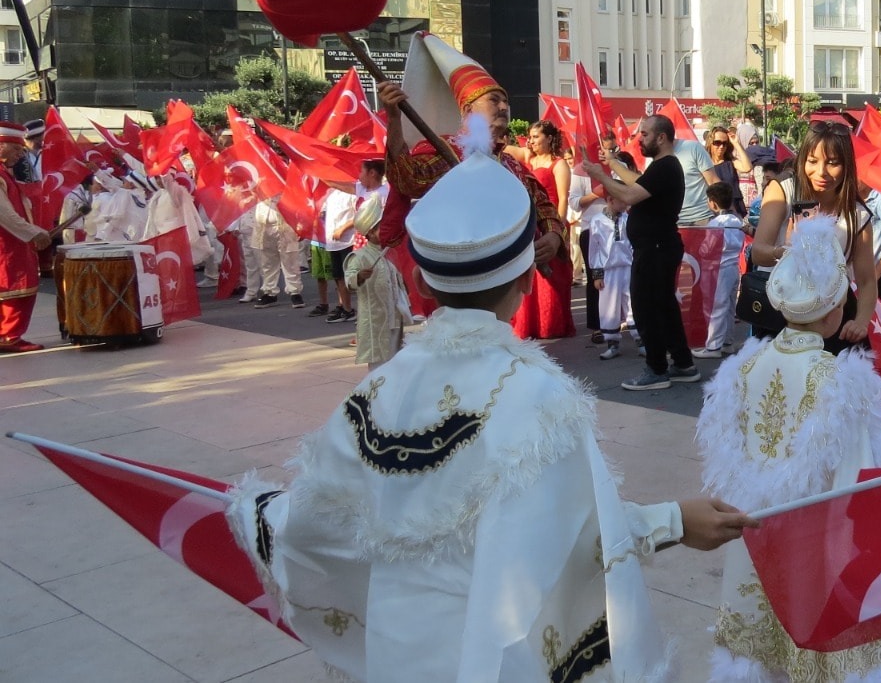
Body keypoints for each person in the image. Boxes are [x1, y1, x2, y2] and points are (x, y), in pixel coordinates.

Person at [228, 126, 754, 681]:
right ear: (529, 278)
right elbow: (578, 537)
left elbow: (309, 523)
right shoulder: (537, 395)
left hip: (396, 655)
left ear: (425, 286)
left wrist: (252, 507)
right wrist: (673, 521)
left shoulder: (376, 391)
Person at [696, 215, 881, 680]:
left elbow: (727, 451)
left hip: (756, 523)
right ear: (835, 308)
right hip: (814, 529)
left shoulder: (745, 367)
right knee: (820, 619)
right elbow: (865, 467)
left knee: (758, 632)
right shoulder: (840, 378)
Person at [374, 33, 566, 318]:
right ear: (467, 110)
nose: (503, 106)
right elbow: (408, 180)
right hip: (457, 280)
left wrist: (553, 236)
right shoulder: (446, 151)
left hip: (502, 281)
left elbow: (544, 204)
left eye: (505, 101)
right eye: (493, 100)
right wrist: (394, 120)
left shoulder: (511, 164)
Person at [582, 114, 700, 391]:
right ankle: (683, 364)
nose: (639, 139)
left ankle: (657, 369)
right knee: (664, 307)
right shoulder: (661, 167)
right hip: (656, 247)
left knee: (647, 309)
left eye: (644, 134)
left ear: (661, 137)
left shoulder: (666, 166)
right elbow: (637, 182)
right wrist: (612, 163)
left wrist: (601, 175)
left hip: (655, 248)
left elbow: (630, 195)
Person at [750, 123, 877, 353]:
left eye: (832, 162)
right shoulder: (783, 191)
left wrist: (861, 322)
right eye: (812, 160)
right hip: (783, 312)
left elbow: (867, 281)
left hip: (833, 319)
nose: (821, 172)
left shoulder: (858, 214)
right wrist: (789, 251)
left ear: (847, 164)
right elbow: (758, 251)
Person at [511, 120, 575, 339]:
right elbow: (503, 147)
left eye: (536, 136)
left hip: (551, 227)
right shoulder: (527, 159)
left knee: (551, 280)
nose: (532, 141)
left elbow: (563, 198)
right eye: (530, 136)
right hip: (529, 226)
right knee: (529, 278)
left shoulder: (559, 164)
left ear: (549, 138)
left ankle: (551, 326)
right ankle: (528, 325)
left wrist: (558, 231)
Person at [343, 196, 409, 370]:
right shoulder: (360, 256)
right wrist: (359, 277)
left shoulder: (389, 253)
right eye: (382, 228)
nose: (386, 230)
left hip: (394, 316)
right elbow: (349, 279)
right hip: (375, 319)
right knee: (379, 363)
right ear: (370, 233)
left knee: (396, 360)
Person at [0, 121, 49, 353]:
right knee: (15, 286)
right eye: (18, 149)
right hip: (7, 243)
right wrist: (33, 233)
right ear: (2, 147)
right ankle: (8, 336)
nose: (21, 155)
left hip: (13, 241)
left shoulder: (5, 174)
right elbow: (5, 215)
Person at [691, 182, 747, 360]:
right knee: (729, 305)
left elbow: (707, 249)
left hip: (718, 268)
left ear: (713, 203)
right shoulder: (737, 220)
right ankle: (727, 342)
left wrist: (699, 249)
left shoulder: (715, 223)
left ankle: (713, 345)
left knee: (716, 306)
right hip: (733, 267)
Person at [589, 187, 640, 361]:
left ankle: (641, 341)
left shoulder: (628, 219)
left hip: (628, 267)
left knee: (634, 303)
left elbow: (633, 244)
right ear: (610, 200)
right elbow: (594, 249)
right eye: (622, 200)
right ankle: (612, 344)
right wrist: (597, 274)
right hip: (609, 271)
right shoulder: (597, 221)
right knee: (608, 307)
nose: (626, 203)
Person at [250, 196, 303, 308]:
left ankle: (295, 292)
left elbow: (297, 201)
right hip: (264, 227)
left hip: (285, 226)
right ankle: (269, 292)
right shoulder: (260, 184)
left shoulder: (285, 183)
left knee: (290, 261)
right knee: (267, 263)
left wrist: (300, 225)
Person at [319, 185, 360, 322]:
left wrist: (343, 229)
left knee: (349, 277)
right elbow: (324, 212)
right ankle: (343, 306)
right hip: (333, 242)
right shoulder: (330, 192)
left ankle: (349, 309)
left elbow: (358, 215)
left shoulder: (351, 193)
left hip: (347, 241)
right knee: (338, 277)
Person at [672, 120, 718, 226]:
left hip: (701, 219)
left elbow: (713, 181)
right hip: (672, 223)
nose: (642, 139)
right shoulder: (651, 159)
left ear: (661, 137)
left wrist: (728, 212)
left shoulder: (693, 148)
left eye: (646, 135)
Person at [707, 127, 754, 217]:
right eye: (717, 143)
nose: (721, 146)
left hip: (734, 209)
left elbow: (747, 167)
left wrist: (736, 143)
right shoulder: (705, 163)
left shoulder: (730, 161)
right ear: (710, 143)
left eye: (724, 143)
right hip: (712, 210)